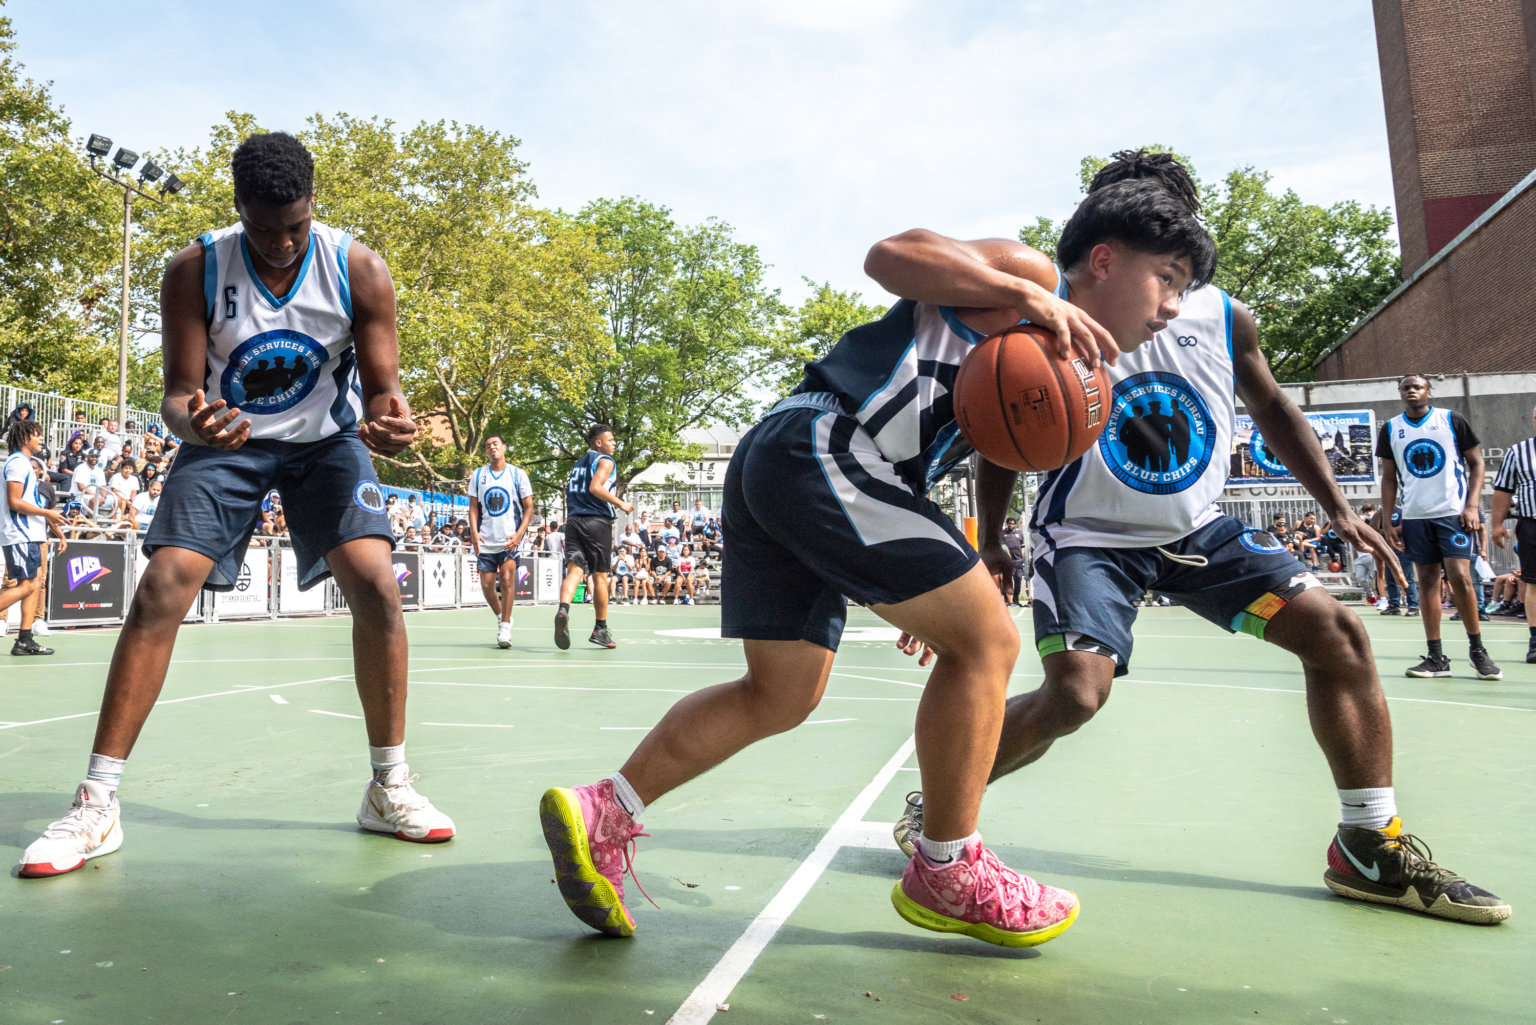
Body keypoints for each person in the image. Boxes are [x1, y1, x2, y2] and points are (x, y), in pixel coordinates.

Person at [536, 174, 1214, 947]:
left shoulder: (1062, 361)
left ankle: (603, 810)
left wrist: (955, 570)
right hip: (822, 444)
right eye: (1168, 280)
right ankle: (948, 866)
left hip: (794, 461)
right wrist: (1030, 299)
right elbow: (891, 256)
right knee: (990, 642)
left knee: (781, 692)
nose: (1171, 306)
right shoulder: (1031, 279)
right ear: (1103, 260)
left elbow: (964, 447)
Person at [889, 151, 1507, 927]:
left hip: (1199, 530)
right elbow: (1009, 423)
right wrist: (991, 538)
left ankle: (1367, 841)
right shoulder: (1055, 298)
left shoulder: (1221, 313)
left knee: (1339, 634)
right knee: (1078, 692)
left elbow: (1275, 405)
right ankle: (943, 806)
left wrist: (1340, 507)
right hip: (1087, 533)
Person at [17, 131, 454, 879]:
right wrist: (195, 420)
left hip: (325, 444)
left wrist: (390, 419)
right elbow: (178, 396)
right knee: (159, 588)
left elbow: (384, 388)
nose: (282, 244)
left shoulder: (358, 269)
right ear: (238, 210)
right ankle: (97, 801)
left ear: (314, 206)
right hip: (228, 443)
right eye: (264, 227)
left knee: (379, 583)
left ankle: (389, 785)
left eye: (296, 226)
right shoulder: (195, 268)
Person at [1379, 375, 1499, 680]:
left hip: (1452, 514)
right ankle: (1436, 657)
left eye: (1417, 386)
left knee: (1460, 576)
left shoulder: (1450, 420)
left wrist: (1472, 505)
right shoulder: (1391, 428)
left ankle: (1477, 651)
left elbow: (1477, 463)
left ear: (1428, 392)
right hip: (1415, 517)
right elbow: (1390, 477)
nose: (1411, 391)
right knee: (1427, 582)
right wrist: (1390, 520)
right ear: (1401, 394)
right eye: (1406, 387)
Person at [555, 424, 632, 650]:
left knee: (575, 570)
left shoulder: (578, 464)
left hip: (574, 521)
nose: (614, 443)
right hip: (596, 521)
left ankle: (563, 609)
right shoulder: (605, 461)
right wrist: (621, 503)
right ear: (598, 443)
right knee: (600, 577)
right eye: (610, 439)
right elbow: (595, 487)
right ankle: (600, 629)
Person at [0, 420, 69, 653]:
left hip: (31, 533)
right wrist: (48, 511)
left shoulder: (25, 464)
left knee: (34, 583)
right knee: (27, 586)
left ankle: (24, 639)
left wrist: (55, 528)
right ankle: (23, 639)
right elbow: (15, 502)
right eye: (37, 435)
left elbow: (31, 503)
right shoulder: (18, 463)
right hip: (20, 533)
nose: (41, 438)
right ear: (24, 437)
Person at [468, 435, 534, 649]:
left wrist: (518, 536)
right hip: (486, 539)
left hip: (509, 540)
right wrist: (474, 533)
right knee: (486, 585)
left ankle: (505, 628)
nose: (492, 447)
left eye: (495, 444)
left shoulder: (518, 474)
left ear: (504, 447)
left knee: (506, 579)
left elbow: (529, 508)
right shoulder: (478, 475)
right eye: (488, 446)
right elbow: (473, 508)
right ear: (486, 452)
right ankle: (501, 615)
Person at [1491, 402, 1536, 662]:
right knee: (1532, 583)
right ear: (1533, 421)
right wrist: (1497, 524)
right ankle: (1535, 641)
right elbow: (1503, 490)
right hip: (1532, 524)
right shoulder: (1518, 452)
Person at [1001, 517, 1026, 606]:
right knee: (1007, 580)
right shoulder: (1002, 533)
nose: (1011, 525)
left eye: (1012, 523)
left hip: (1018, 561)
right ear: (1007, 524)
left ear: (1014, 524)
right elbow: (1002, 546)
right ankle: (1007, 600)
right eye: (1009, 523)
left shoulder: (1019, 533)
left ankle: (1016, 600)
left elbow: (1022, 546)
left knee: (1018, 579)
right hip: (1006, 561)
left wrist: (1023, 556)